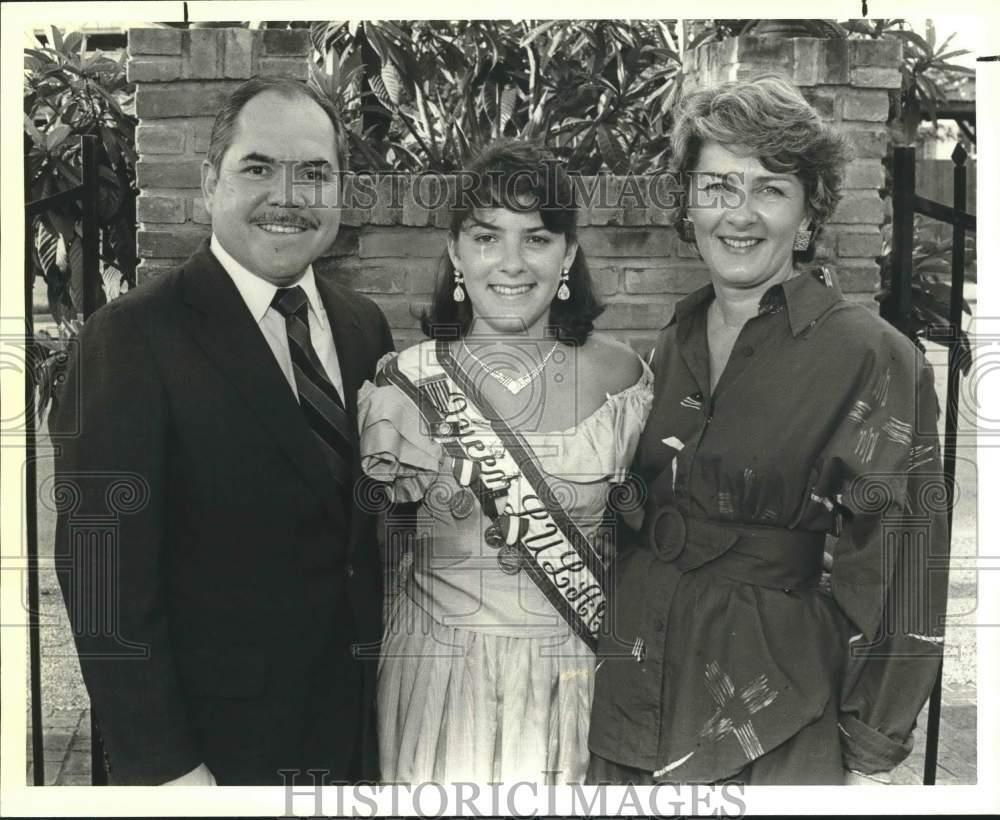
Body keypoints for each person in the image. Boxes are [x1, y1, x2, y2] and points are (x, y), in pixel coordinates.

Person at [587, 75, 948, 785]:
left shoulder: (871, 356)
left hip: (772, 717)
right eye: (717, 186)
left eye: (770, 189)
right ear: (687, 204)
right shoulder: (675, 339)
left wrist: (873, 736)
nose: (739, 214)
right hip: (634, 690)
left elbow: (905, 561)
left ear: (810, 216)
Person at [51, 77, 394, 785]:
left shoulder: (364, 327)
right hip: (216, 756)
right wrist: (171, 771)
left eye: (315, 173)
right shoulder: (131, 339)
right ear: (211, 182)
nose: (289, 195)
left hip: (356, 736)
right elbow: (101, 581)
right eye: (259, 167)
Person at [357, 139, 653, 784]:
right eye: (488, 238)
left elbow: (648, 539)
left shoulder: (624, 379)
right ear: (456, 254)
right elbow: (372, 551)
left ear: (568, 254)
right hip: (436, 677)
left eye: (538, 238)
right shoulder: (403, 383)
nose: (512, 264)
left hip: (571, 677)